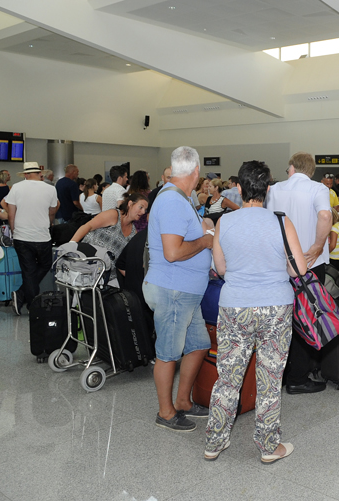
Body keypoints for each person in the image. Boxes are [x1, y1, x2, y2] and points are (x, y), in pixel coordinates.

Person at [204, 161, 306, 464]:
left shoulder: (225, 222)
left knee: (228, 377)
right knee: (270, 379)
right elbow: (298, 269)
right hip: (275, 307)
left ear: (239, 188)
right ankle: (267, 446)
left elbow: (220, 268)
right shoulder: (281, 222)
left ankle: (214, 442)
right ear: (268, 189)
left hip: (235, 306)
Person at [143, 146, 214, 433]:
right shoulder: (172, 201)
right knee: (168, 353)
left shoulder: (181, 199)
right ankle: (166, 411)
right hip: (173, 290)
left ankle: (183, 401)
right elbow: (172, 252)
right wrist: (206, 241)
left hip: (185, 292)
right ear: (195, 172)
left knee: (198, 345)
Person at [265, 152, 332, 394]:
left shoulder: (274, 189)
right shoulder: (318, 189)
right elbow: (325, 215)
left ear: (291, 168)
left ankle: (280, 374)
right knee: (307, 319)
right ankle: (298, 377)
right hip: (310, 265)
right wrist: (317, 244)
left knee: (281, 320)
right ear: (311, 171)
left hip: (280, 264)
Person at [5, 162, 59, 315]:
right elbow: (52, 212)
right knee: (45, 264)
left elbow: (11, 213)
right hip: (42, 235)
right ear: (38, 173)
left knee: (28, 271)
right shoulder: (50, 189)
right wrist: (49, 223)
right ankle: (30, 303)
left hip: (22, 236)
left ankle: (24, 296)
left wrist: (14, 231)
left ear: (26, 175)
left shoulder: (16, 187)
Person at [70, 192, 148, 279]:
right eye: (141, 207)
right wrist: (71, 246)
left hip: (107, 276)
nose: (143, 212)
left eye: (145, 209)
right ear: (130, 204)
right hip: (86, 265)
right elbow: (87, 226)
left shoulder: (134, 232)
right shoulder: (113, 215)